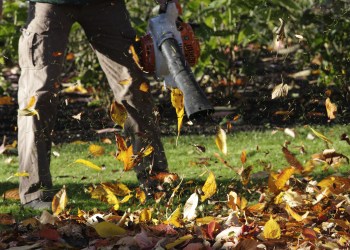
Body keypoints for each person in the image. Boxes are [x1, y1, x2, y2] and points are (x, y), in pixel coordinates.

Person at [1, 0, 170, 209]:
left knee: (134, 88)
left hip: (106, 4)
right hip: (49, 4)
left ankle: (156, 182)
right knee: (38, 96)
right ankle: (35, 193)